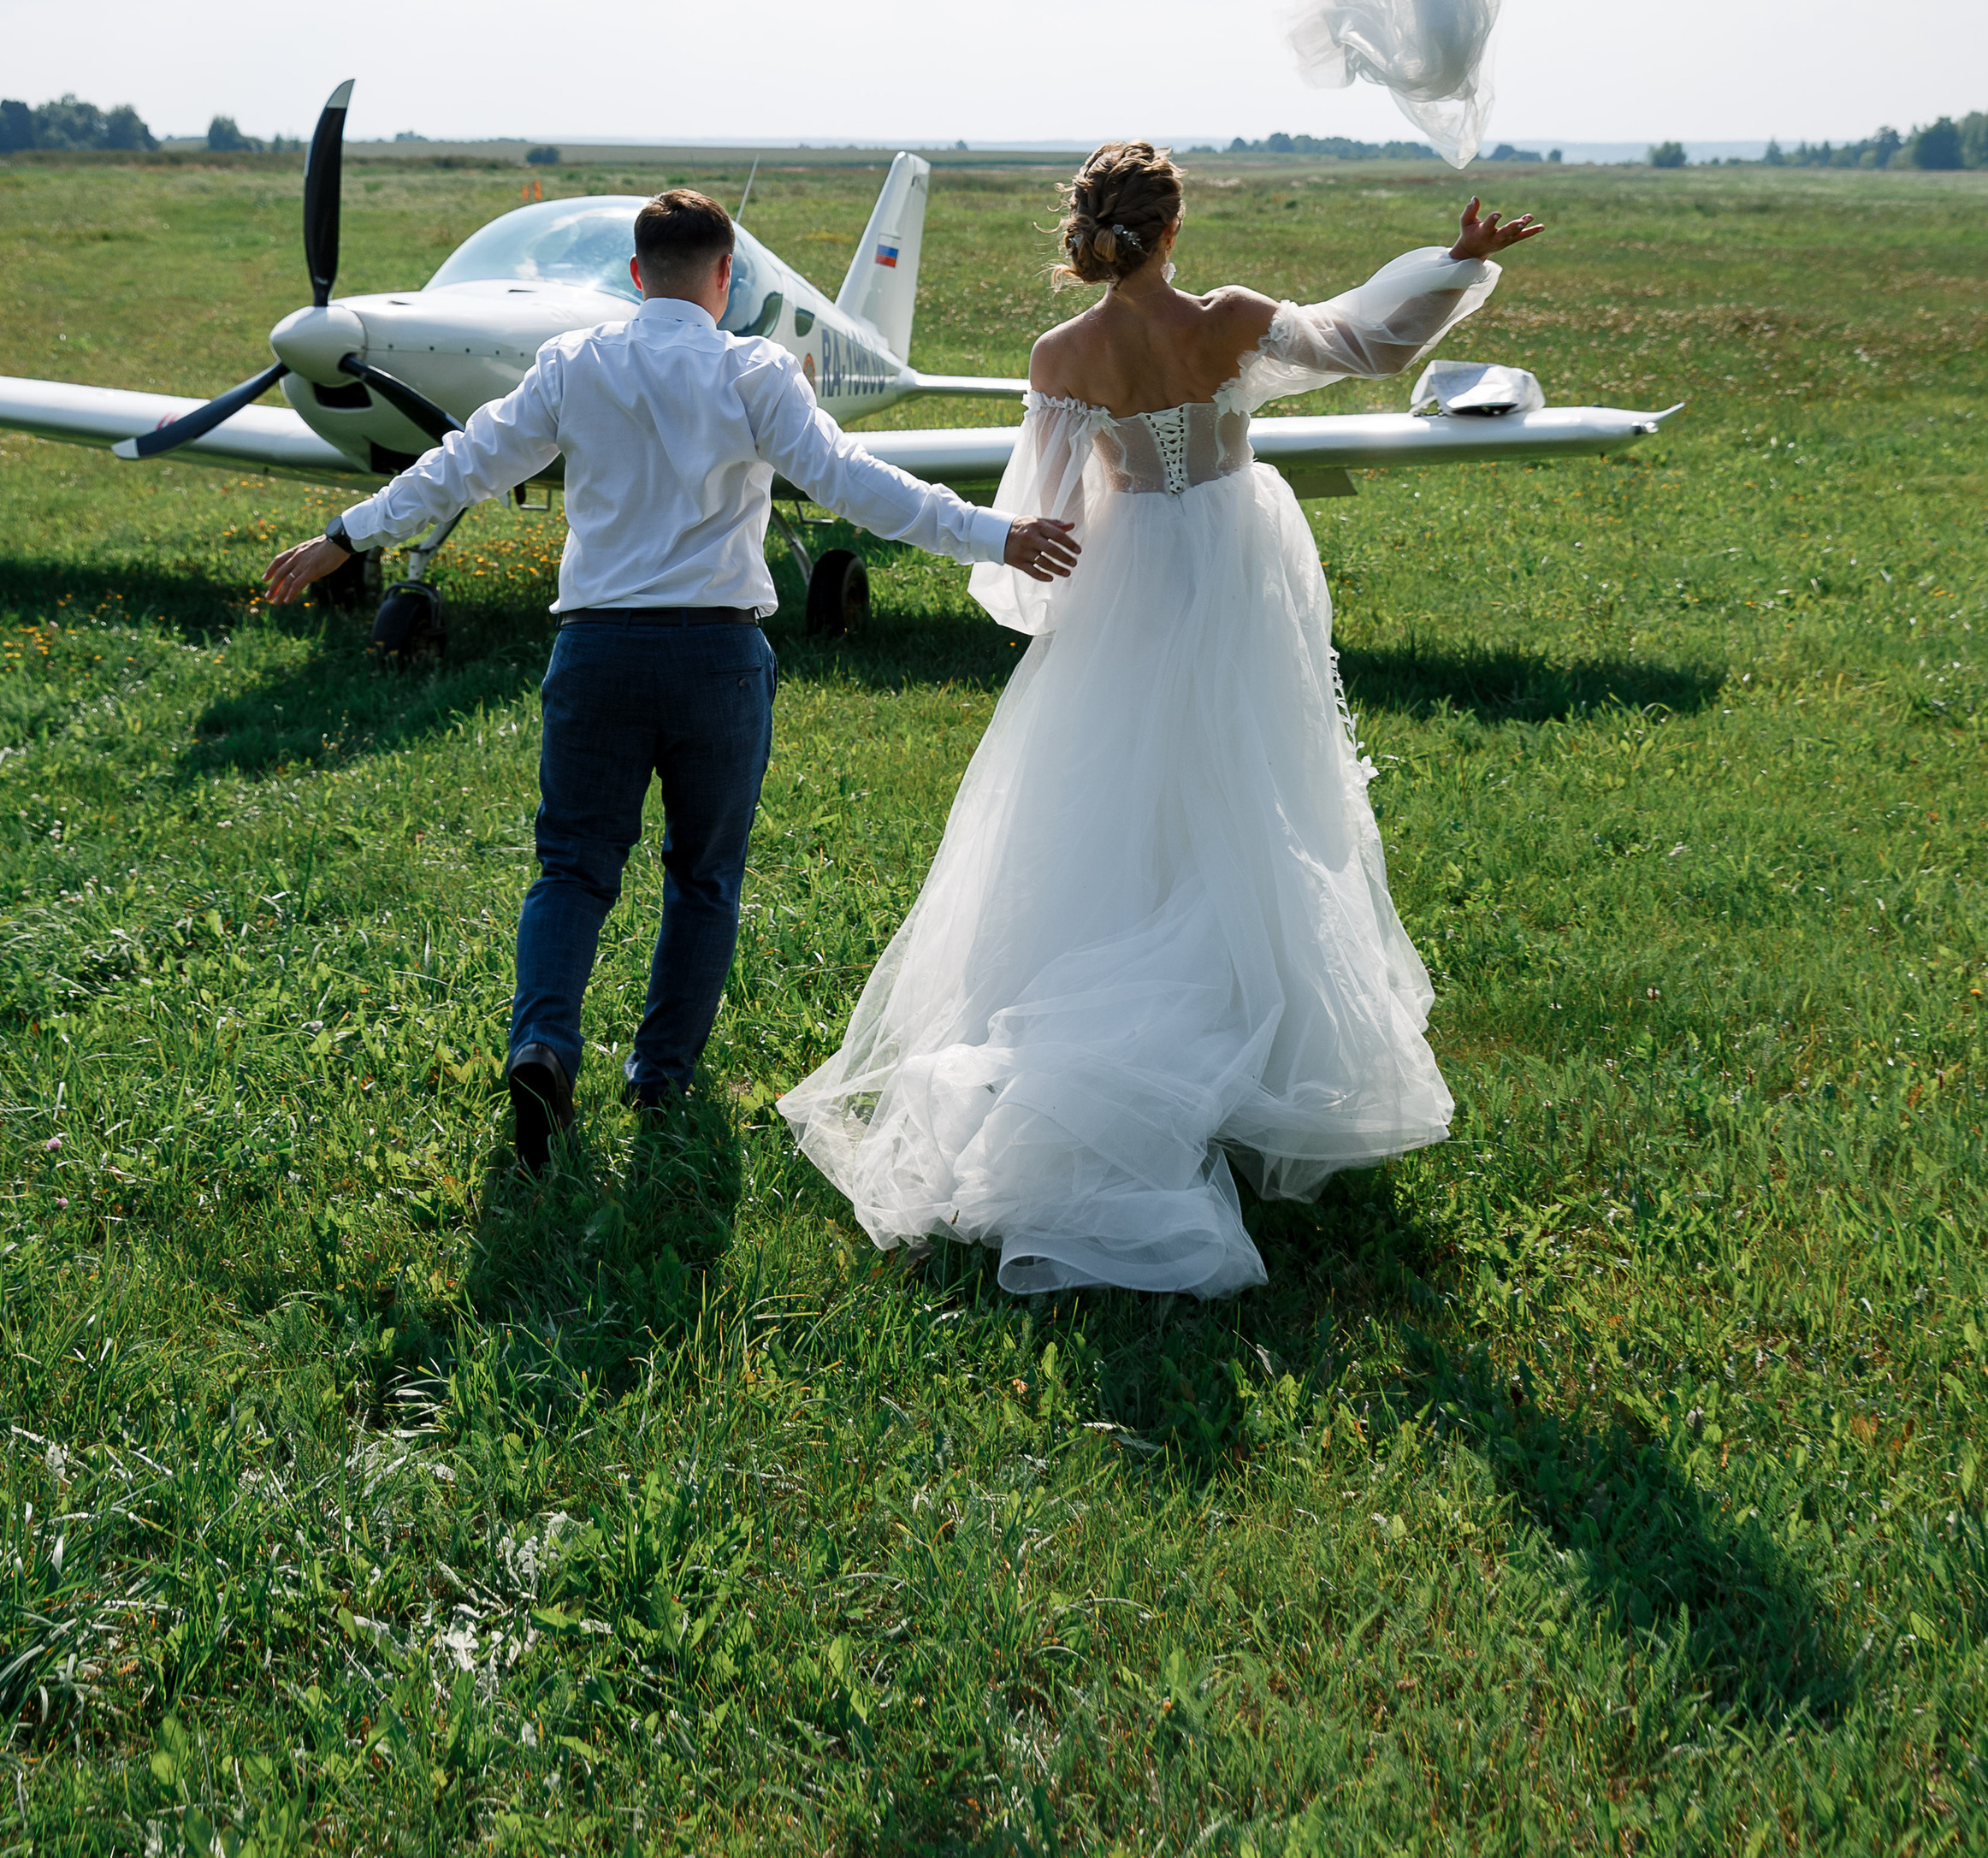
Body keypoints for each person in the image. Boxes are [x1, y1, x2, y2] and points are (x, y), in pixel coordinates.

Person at [778, 144, 1542, 1297]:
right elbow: (1364, 343)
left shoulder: (1062, 354)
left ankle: (1113, 1015)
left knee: (1115, 788)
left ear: (1092, 234)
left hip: (1130, 568)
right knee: (1253, 782)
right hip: (1235, 558)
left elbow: (1038, 510)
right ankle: (1238, 1039)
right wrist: (1452, 264)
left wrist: (1043, 580)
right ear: (1173, 229)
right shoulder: (1229, 318)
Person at [264, 188, 1078, 1169]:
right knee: (702, 878)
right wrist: (999, 534)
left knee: (571, 867)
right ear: (723, 280)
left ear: (636, 274)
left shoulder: (570, 363)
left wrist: (343, 536)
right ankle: (661, 1077)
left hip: (598, 652)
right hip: (718, 660)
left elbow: (462, 467)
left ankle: (543, 1047)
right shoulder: (757, 371)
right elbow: (858, 486)